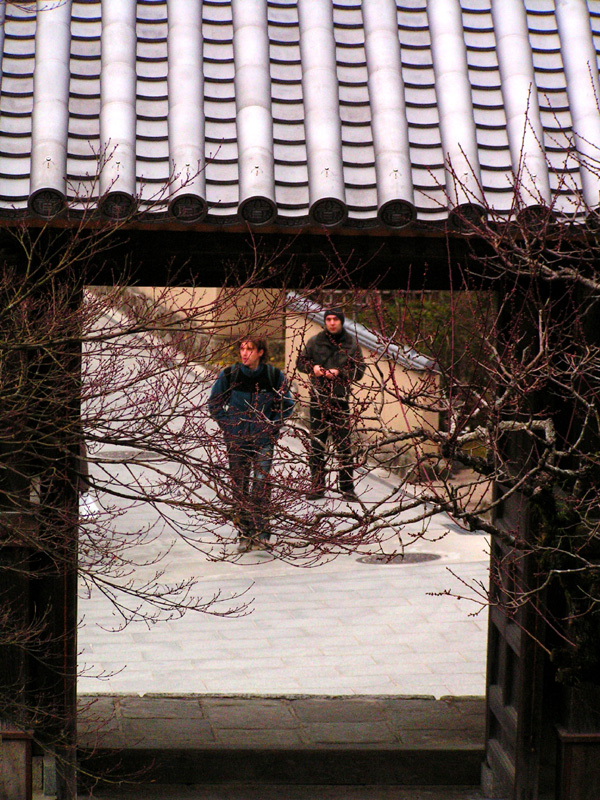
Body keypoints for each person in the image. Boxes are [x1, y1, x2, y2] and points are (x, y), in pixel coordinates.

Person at [208, 335, 294, 552]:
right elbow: (214, 403)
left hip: (263, 439)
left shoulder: (272, 375)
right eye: (242, 349)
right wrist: (228, 426)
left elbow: (287, 404)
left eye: (250, 349)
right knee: (240, 486)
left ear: (260, 352)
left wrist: (272, 425)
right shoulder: (230, 374)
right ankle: (244, 534)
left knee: (261, 484)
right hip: (237, 440)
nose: (245, 353)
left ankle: (262, 532)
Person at [297, 307, 365, 501]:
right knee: (317, 445)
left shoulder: (351, 343)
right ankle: (317, 486)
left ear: (341, 321)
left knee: (343, 445)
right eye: (329, 319)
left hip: (340, 399)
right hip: (317, 398)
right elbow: (301, 362)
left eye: (335, 319)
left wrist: (340, 373)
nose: (332, 322)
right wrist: (313, 368)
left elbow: (359, 370)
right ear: (325, 321)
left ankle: (347, 488)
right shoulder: (315, 341)